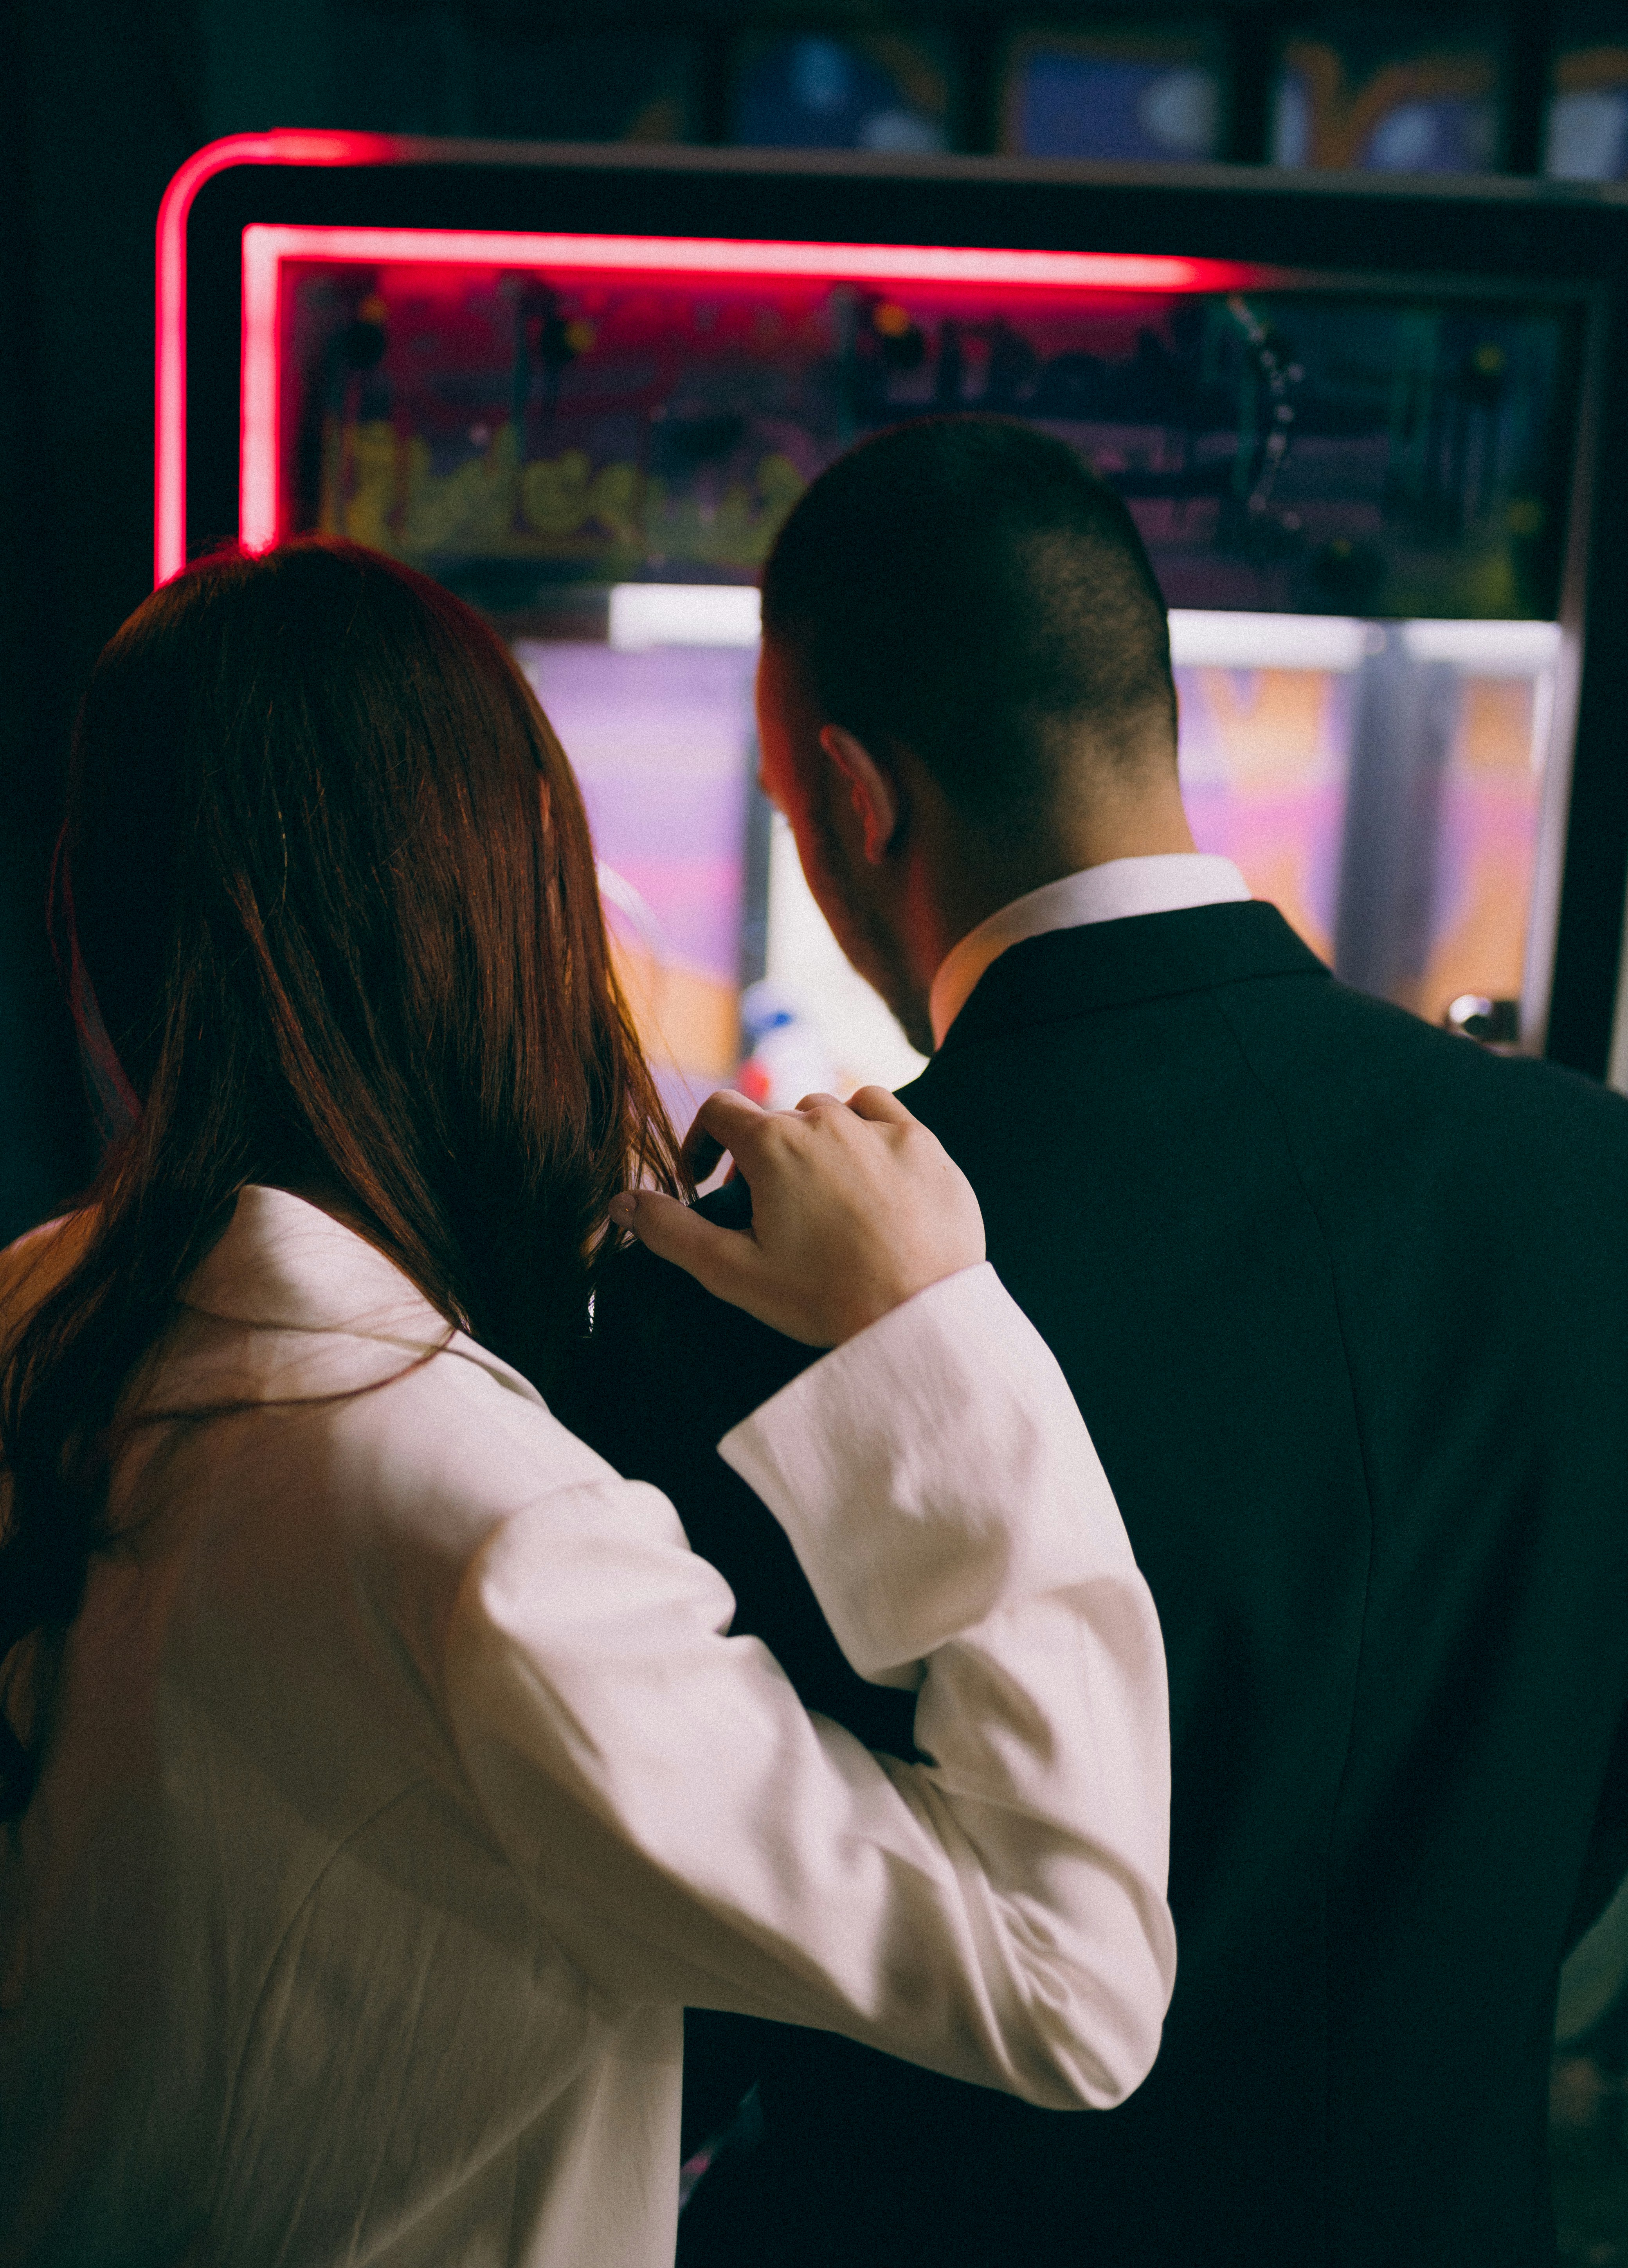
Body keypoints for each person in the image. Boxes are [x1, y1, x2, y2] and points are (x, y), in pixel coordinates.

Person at [0, 540, 1177, 2268]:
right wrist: (930, 1335)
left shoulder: (44, 1310)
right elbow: (1066, 1983)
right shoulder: (483, 1526)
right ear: (509, 912)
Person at [575, 416, 1628, 2266]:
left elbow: (701, 1937)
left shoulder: (749, 1276)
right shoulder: (1589, 1184)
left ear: (850, 796)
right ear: (1152, 716)